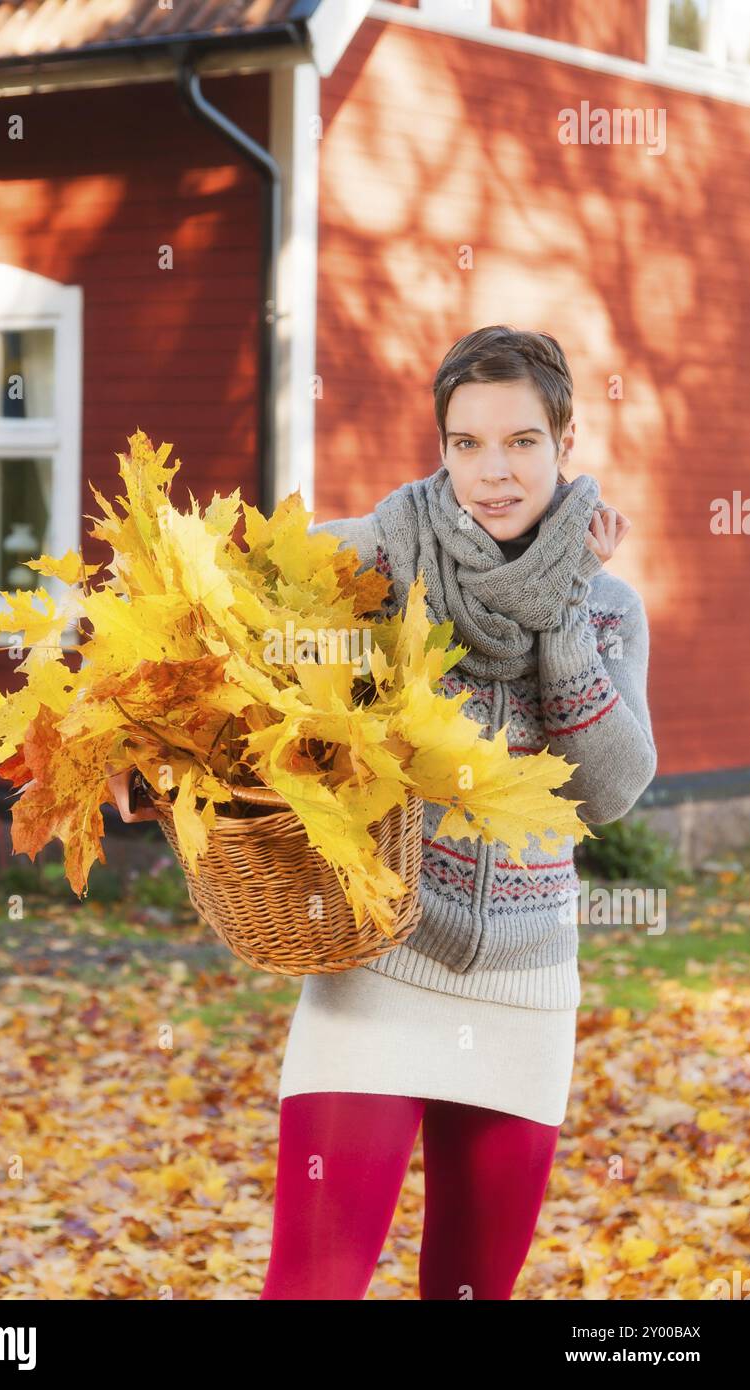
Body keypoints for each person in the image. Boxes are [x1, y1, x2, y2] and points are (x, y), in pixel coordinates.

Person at [108, 324, 658, 1300]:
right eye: (466, 443)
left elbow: (613, 787)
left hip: (527, 991)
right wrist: (134, 742)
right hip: (378, 969)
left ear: (565, 443)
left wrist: (560, 614)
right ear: (440, 445)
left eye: (520, 441)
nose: (492, 471)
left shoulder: (605, 605)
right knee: (310, 1289)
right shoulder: (370, 561)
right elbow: (216, 632)